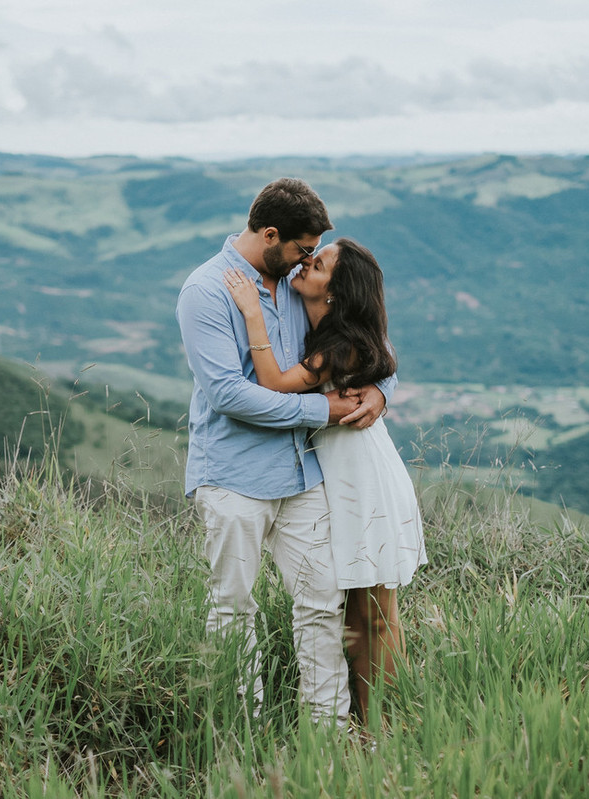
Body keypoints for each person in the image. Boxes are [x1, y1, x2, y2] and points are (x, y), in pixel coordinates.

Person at [176, 178, 393, 724]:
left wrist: (378, 391)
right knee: (233, 609)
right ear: (270, 235)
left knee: (322, 607)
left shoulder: (297, 288)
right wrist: (324, 411)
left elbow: (358, 336)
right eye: (301, 250)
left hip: (302, 478)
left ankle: (329, 733)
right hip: (233, 478)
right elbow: (229, 394)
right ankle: (239, 733)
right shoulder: (205, 291)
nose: (306, 263)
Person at [221, 237, 427, 724]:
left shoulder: (340, 343)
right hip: (329, 475)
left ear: (335, 292)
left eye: (319, 262)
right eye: (312, 254)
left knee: (374, 611)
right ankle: (363, 722)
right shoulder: (306, 309)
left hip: (360, 473)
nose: (307, 262)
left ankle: (382, 726)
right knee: (353, 608)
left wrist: (252, 314)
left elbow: (274, 382)